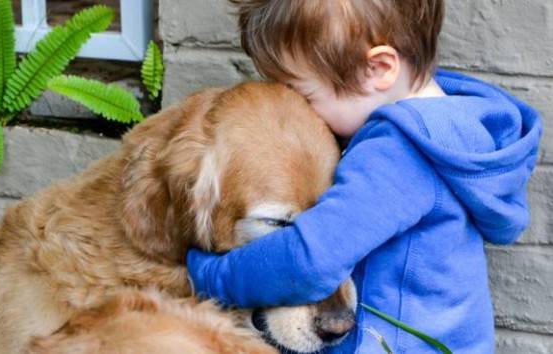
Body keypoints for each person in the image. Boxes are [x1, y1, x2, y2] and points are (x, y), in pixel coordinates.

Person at [186, 1, 543, 353]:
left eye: (303, 94)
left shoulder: (397, 155)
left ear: (379, 68)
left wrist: (208, 276)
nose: (298, 111)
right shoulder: (452, 129)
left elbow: (310, 259)